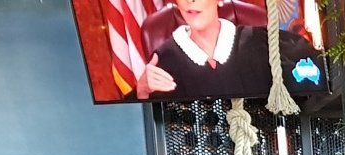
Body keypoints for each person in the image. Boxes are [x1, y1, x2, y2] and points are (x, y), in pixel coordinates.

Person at [134, 0, 327, 102]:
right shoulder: (163, 62)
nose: (190, 1)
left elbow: (314, 92)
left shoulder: (265, 44)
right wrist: (142, 92)